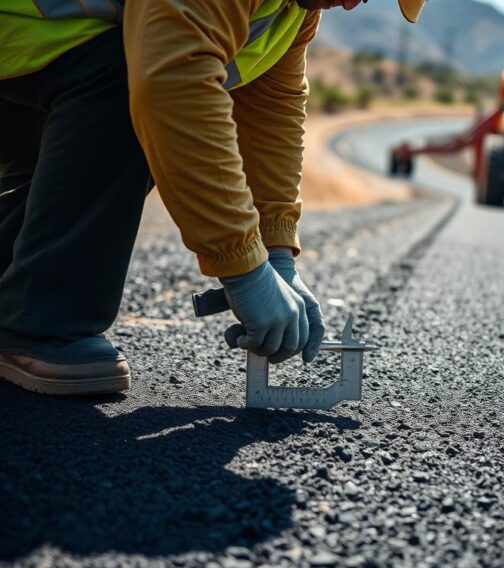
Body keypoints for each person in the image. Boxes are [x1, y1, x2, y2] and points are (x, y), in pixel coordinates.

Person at [0, 0, 427, 396]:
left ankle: (16, 290)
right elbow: (173, 80)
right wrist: (245, 269)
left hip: (37, 74)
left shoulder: (294, 11)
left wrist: (276, 251)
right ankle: (42, 324)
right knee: (145, 90)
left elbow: (272, 111)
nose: (352, 4)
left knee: (149, 114)